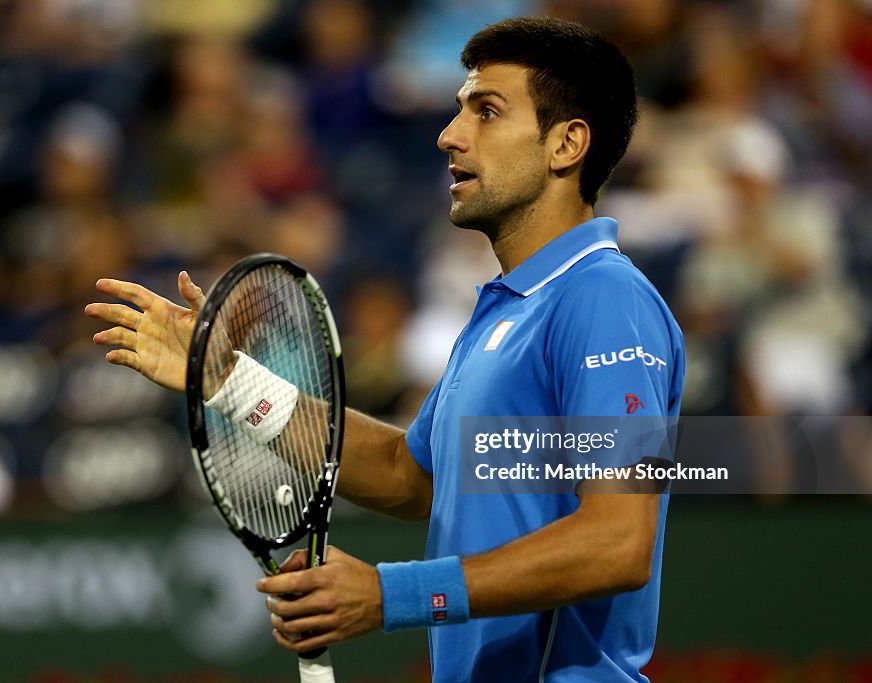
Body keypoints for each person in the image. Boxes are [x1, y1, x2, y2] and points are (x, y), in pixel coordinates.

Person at [86, 16, 684, 683]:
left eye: (486, 112)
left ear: (566, 144)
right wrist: (229, 379)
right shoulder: (505, 313)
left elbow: (619, 541)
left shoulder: (603, 298)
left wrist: (388, 594)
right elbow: (410, 476)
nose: (450, 135)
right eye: (459, 110)